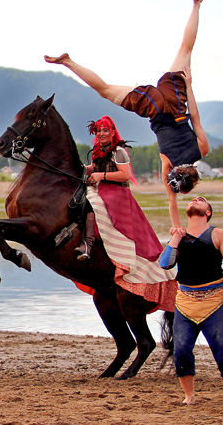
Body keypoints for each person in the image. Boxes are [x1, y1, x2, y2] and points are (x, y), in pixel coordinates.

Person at [45, 0, 211, 232]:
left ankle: (196, 4)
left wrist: (188, 85)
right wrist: (176, 228)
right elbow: (172, 202)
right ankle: (68, 62)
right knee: (104, 89)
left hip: (176, 101)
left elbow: (194, 117)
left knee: (186, 49)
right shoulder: (167, 166)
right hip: (152, 107)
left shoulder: (202, 148)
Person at [75, 116, 176, 312]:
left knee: (91, 202)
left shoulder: (118, 151)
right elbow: (93, 169)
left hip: (117, 194)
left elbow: (125, 174)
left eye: (106, 130)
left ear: (112, 132)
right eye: (99, 131)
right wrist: (81, 169)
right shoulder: (97, 151)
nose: (102, 134)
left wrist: (100, 176)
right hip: (102, 189)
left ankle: (88, 244)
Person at [159, 196, 223, 409]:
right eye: (192, 199)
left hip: (214, 301)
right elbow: (164, 264)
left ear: (207, 212)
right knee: (180, 351)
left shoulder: (218, 235)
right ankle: (189, 396)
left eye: (202, 200)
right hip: (185, 302)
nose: (196, 199)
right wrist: (175, 238)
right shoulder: (179, 235)